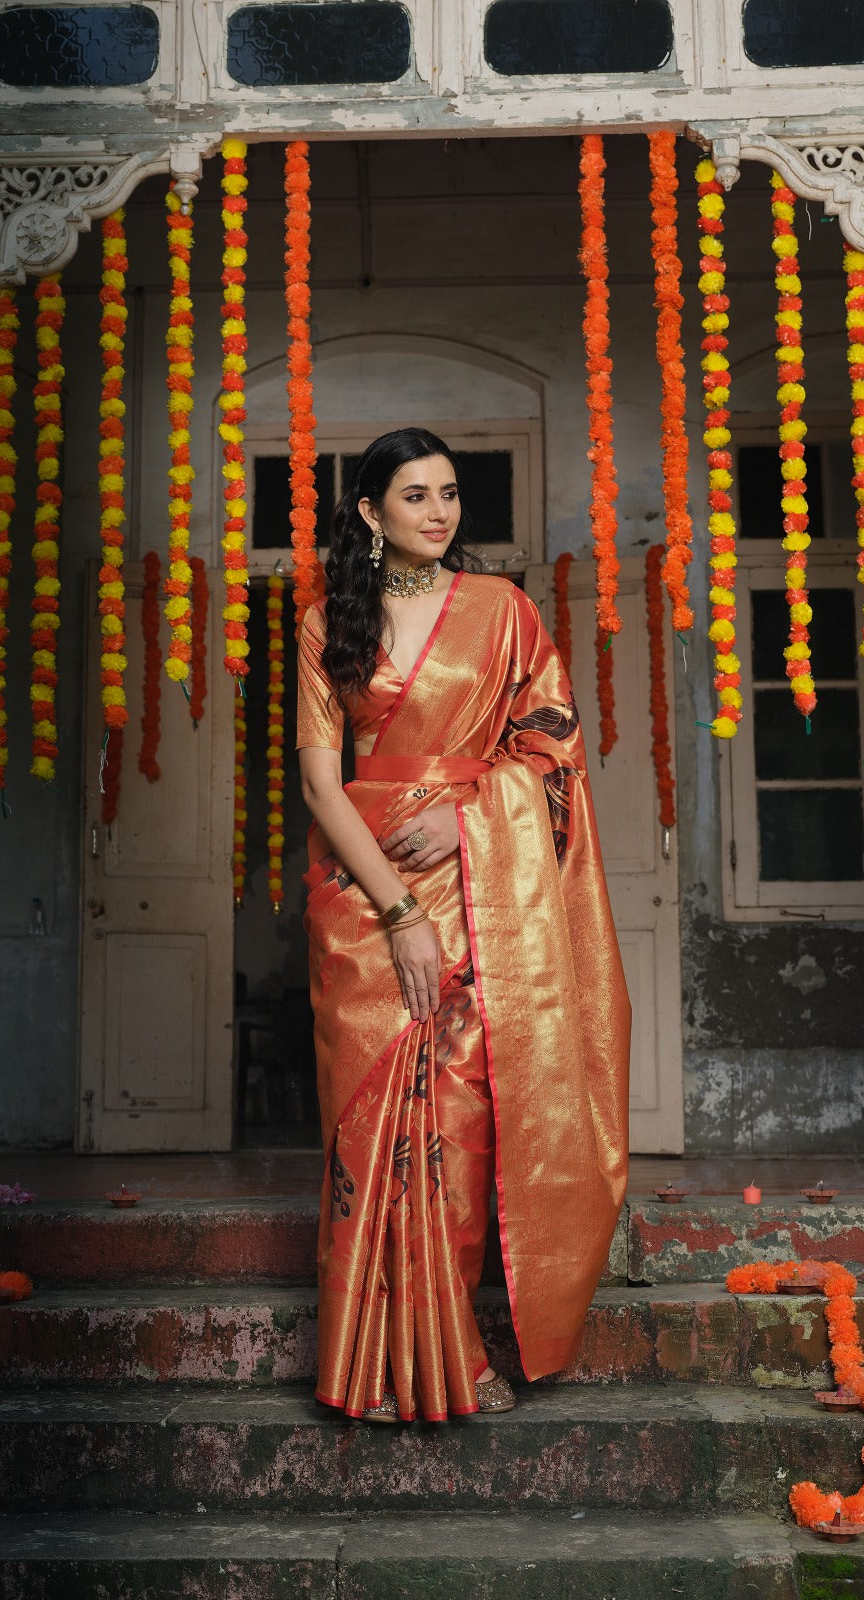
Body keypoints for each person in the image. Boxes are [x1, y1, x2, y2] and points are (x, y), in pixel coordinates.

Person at [296, 426, 630, 1424]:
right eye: (416, 496)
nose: (439, 512)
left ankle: (454, 1355)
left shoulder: (504, 612)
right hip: (366, 895)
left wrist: (470, 813)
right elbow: (320, 783)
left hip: (480, 884)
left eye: (448, 493)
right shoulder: (327, 621)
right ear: (371, 512)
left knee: (457, 1120)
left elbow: (551, 749)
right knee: (374, 1127)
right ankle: (371, 1363)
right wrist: (398, 911)